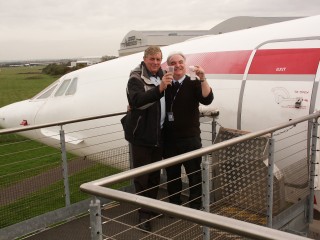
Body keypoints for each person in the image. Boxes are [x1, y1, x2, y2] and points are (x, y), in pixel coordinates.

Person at [123, 46, 172, 231]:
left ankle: (152, 207)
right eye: (152, 59)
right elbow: (137, 101)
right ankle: (143, 215)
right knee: (142, 177)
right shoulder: (135, 78)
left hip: (158, 134)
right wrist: (160, 89)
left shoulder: (163, 74)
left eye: (158, 59)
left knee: (154, 175)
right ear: (144, 59)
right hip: (142, 136)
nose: (155, 63)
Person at [163, 52, 213, 210]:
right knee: (172, 175)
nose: (177, 65)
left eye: (180, 62)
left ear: (185, 64)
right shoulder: (166, 83)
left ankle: (195, 206)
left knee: (194, 174)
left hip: (190, 138)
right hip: (169, 139)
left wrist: (203, 78)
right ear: (169, 65)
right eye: (173, 62)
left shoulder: (194, 82)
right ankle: (175, 205)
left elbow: (207, 99)